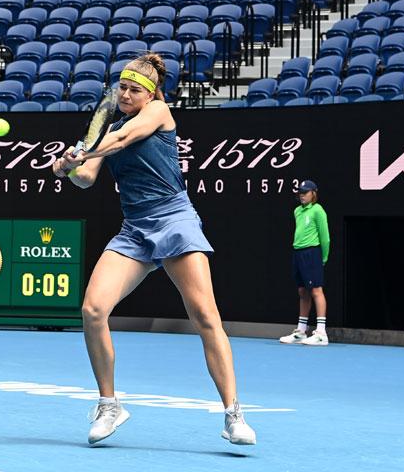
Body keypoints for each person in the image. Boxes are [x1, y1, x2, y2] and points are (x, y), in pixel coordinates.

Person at [51, 53, 257, 447]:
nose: (126, 95)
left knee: (205, 316)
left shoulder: (159, 112)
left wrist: (88, 149)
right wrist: (68, 167)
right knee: (93, 310)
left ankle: (233, 414)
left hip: (174, 220)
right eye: (122, 88)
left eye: (134, 90)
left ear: (152, 93)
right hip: (135, 230)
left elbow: (126, 138)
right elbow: (86, 180)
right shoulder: (107, 130)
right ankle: (109, 404)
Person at [278, 180, 330, 346]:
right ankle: (301, 331)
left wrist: (324, 257)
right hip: (298, 253)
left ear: (313, 193)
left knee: (316, 290)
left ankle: (321, 333)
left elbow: (325, 237)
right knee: (302, 291)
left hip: (312, 252)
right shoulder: (297, 211)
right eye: (300, 192)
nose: (302, 195)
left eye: (305, 192)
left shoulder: (318, 210)